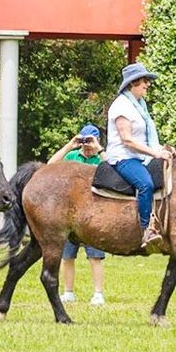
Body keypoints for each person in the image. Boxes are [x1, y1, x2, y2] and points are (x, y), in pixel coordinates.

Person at [104, 62, 174, 248]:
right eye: (144, 81)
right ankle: (147, 229)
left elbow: (146, 137)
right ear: (132, 83)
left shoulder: (139, 105)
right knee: (145, 184)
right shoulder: (121, 106)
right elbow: (127, 140)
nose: (147, 84)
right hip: (124, 157)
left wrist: (162, 150)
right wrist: (155, 152)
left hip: (141, 157)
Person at [51, 124, 107, 306]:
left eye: (89, 140)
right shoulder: (72, 157)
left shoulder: (101, 159)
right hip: (70, 214)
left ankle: (98, 294)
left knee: (95, 257)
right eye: (84, 140)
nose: (86, 145)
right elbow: (50, 166)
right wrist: (70, 145)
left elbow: (112, 171)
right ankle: (68, 292)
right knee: (67, 256)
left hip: (93, 214)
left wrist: (99, 149)